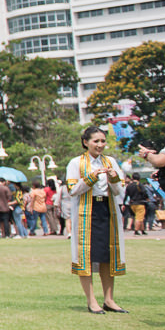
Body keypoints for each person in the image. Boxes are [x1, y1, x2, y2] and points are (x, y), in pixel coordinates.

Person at [67, 126, 127, 314]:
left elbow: (119, 191)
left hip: (107, 210)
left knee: (107, 255)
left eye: (102, 141)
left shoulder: (111, 162)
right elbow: (73, 190)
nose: (100, 145)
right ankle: (91, 300)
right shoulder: (76, 163)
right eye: (96, 141)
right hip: (86, 211)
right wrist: (91, 177)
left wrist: (113, 178)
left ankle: (109, 299)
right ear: (86, 142)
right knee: (86, 255)